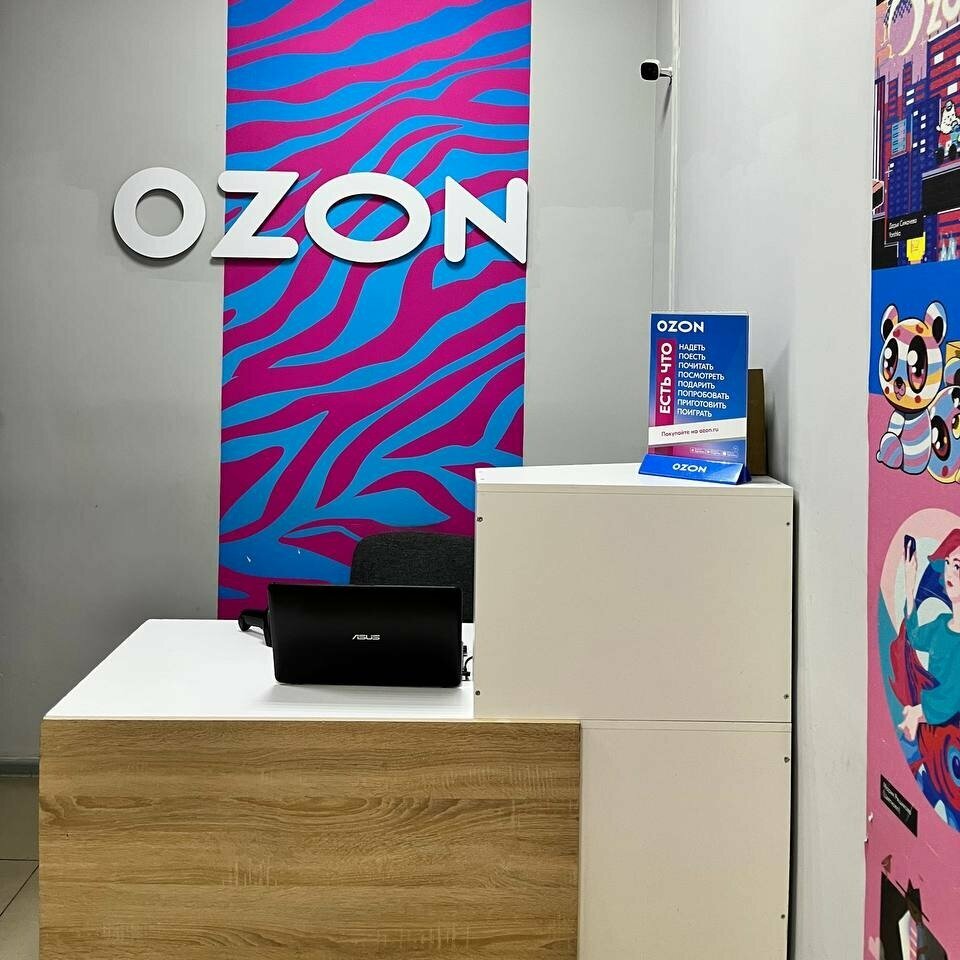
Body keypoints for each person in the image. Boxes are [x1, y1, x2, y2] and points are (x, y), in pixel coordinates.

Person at [900, 528, 960, 740]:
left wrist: (918, 713)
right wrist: (909, 584)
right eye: (948, 563)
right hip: (932, 726)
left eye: (958, 566)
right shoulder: (941, 624)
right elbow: (915, 637)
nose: (949, 573)